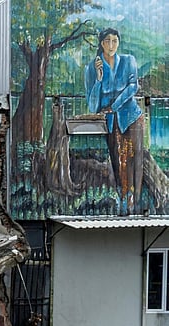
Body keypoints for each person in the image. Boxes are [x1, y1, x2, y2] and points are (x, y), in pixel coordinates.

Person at [85, 27, 145, 215]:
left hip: (131, 117)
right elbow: (93, 105)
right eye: (107, 41)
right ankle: (122, 199)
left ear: (118, 42)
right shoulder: (92, 68)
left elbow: (133, 86)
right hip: (110, 121)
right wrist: (99, 79)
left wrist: (115, 105)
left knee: (135, 159)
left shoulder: (128, 61)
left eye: (115, 40)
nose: (111, 45)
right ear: (101, 43)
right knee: (117, 161)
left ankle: (136, 202)